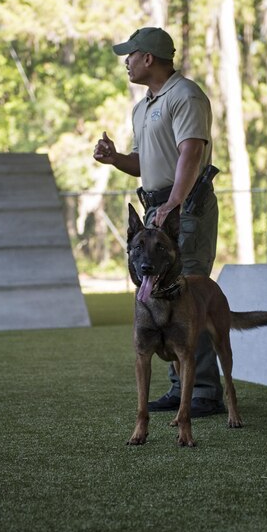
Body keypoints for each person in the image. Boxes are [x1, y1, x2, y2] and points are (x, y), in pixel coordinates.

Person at [93, 27, 224, 417]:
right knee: (162, 294)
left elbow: (191, 153)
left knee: (188, 294)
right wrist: (116, 158)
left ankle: (203, 393)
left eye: (129, 56)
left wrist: (174, 203)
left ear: (148, 58)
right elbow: (145, 164)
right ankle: (179, 388)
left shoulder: (185, 95)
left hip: (185, 208)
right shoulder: (144, 106)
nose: (126, 63)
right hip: (158, 208)